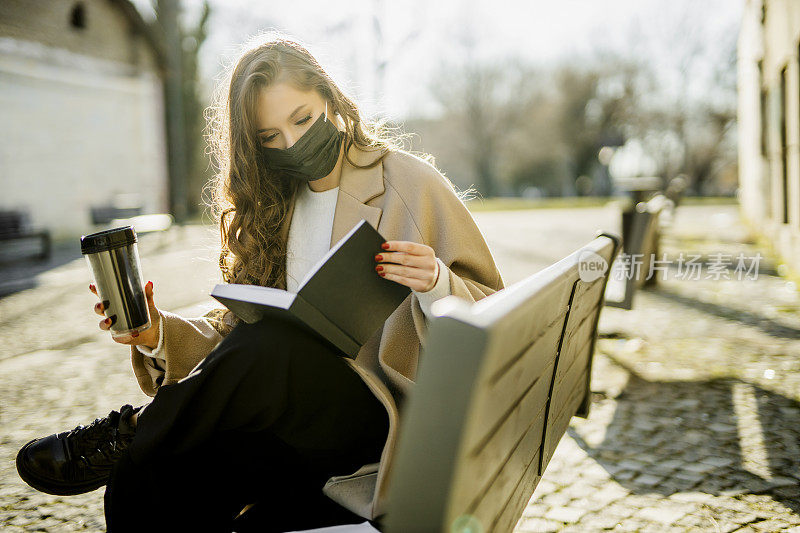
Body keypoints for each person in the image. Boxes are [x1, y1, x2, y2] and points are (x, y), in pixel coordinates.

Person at [15, 33, 505, 531]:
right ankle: (134, 447)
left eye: (303, 120)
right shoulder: (274, 203)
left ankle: (136, 429)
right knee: (145, 474)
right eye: (269, 138)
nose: (292, 145)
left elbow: (499, 312)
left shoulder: (408, 182)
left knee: (270, 349)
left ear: (330, 100)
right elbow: (238, 340)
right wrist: (157, 334)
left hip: (382, 422)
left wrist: (438, 283)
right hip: (288, 427)